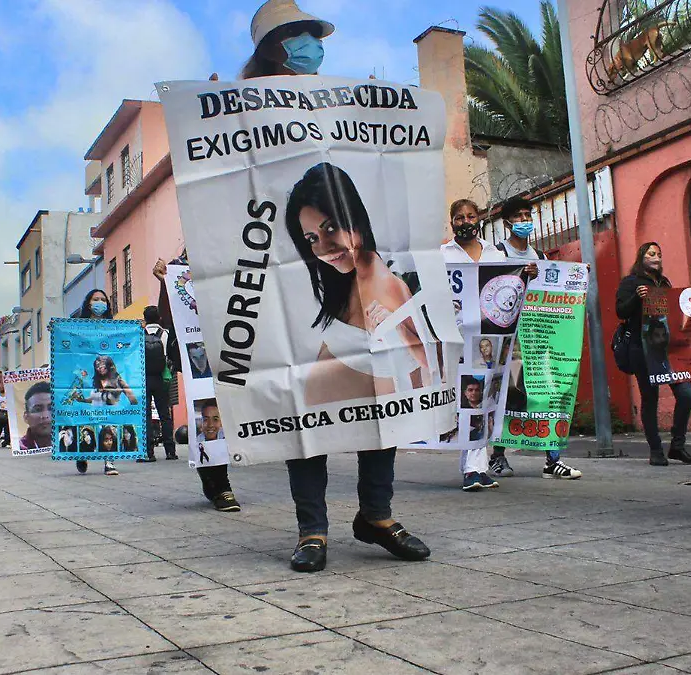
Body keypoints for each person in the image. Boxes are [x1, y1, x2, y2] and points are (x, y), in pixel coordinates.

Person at [244, 0, 429, 574]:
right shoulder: (239, 108)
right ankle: (313, 528)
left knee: (383, 400)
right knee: (309, 415)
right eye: (297, 35)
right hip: (297, 309)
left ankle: (375, 514)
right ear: (274, 45)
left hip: (354, 310)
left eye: (312, 34)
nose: (310, 44)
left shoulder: (337, 101)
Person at [288, 162, 434, 403]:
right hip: (335, 426)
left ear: (353, 217)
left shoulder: (384, 284)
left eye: (331, 228)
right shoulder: (345, 276)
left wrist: (396, 327)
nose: (325, 248)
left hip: (369, 428)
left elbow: (430, 361)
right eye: (312, 238)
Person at [490, 195, 582, 481]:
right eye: (518, 216)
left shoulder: (540, 257)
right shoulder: (496, 253)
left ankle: (552, 460)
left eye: (528, 215)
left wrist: (577, 278)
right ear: (506, 222)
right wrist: (518, 275)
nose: (524, 221)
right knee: (510, 394)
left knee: (549, 392)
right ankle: (497, 456)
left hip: (539, 338)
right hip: (511, 341)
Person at [153, 252, 242, 512]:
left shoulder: (233, 261)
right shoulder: (181, 270)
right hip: (198, 357)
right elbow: (167, 320)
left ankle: (213, 478)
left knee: (225, 415)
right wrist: (164, 282)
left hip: (234, 352)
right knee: (209, 414)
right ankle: (221, 485)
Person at [615, 242, 691, 467]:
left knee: (685, 393)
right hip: (642, 349)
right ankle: (656, 450)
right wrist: (637, 298)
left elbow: (673, 312)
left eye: (659, 254)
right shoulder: (630, 282)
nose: (657, 257)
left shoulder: (664, 282)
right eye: (651, 253)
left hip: (667, 347)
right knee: (650, 399)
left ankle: (678, 446)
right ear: (641, 257)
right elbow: (621, 311)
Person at [74, 289, 121, 476]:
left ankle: (109, 461)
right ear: (88, 303)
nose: (100, 302)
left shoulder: (114, 327)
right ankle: (83, 452)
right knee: (86, 419)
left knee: (107, 420)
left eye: (103, 300)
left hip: (106, 383)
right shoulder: (77, 327)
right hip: (85, 379)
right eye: (96, 299)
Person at [143, 305, 180, 463]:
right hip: (162, 377)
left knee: (145, 415)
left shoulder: (139, 334)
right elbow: (172, 356)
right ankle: (170, 451)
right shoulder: (165, 333)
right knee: (165, 415)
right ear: (159, 318)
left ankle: (148, 453)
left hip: (143, 377)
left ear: (144, 318)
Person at [19, 381, 53, 452]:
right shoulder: (21, 447)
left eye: (52, 408)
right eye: (38, 409)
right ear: (26, 417)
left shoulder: (71, 443)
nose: (45, 416)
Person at [0, 381, 10, 448]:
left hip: (7, 413)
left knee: (7, 430)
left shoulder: (9, 394)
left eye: (3, 386)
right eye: (0, 386)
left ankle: (6, 442)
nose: (1, 387)